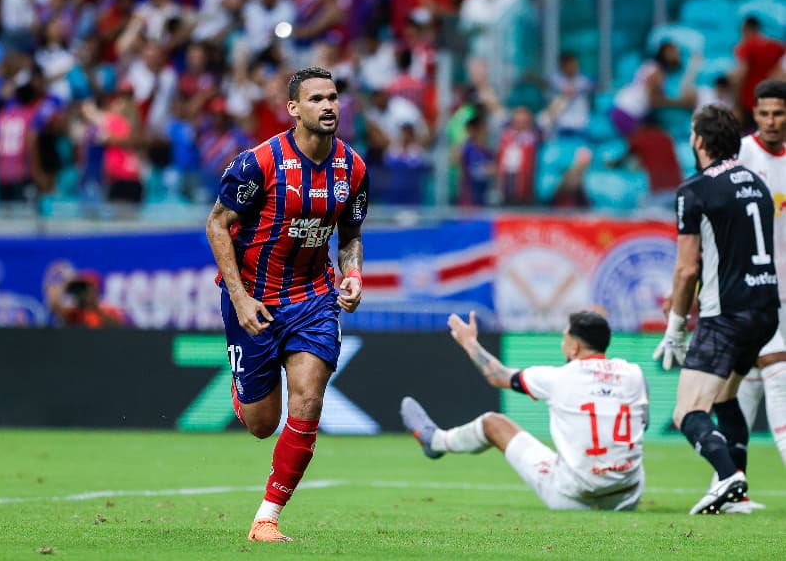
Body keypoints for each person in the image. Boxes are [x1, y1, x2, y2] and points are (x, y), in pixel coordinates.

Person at [205, 67, 368, 543]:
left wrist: (353, 275)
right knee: (261, 424)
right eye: (316, 98)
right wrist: (239, 298)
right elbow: (217, 225)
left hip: (314, 298)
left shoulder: (353, 168)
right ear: (293, 109)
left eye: (333, 97)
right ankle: (244, 385)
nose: (329, 106)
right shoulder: (257, 163)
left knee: (310, 397)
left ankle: (267, 516)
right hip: (254, 296)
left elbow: (351, 236)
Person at [653, 104, 779, 515]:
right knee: (726, 399)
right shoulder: (756, 184)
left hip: (725, 317)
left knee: (686, 412)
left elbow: (687, 269)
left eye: (692, 133)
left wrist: (674, 327)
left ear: (700, 140)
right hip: (766, 310)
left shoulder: (694, 190)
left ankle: (728, 477)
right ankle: (736, 497)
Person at [401, 310, 648, 511]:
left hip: (573, 498)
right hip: (626, 499)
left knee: (493, 423)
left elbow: (497, 375)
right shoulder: (634, 375)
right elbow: (642, 425)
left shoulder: (558, 378)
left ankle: (436, 441)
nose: (563, 345)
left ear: (574, 347)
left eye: (564, 339)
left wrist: (469, 342)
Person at [730, 80, 786, 471]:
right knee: (779, 371)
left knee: (749, 381)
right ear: (754, 114)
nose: (771, 121)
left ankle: (728, 481)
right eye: (764, 113)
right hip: (752, 289)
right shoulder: (743, 155)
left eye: (779, 113)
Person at [730, 17, 786, 130]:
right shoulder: (777, 46)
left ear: (746, 29)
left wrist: (736, 103)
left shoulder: (746, 46)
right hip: (772, 104)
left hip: (749, 105)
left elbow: (740, 75)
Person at [46, 270, 127, 328]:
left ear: (95, 290)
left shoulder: (109, 309)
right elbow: (54, 306)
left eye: (86, 289)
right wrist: (65, 285)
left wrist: (95, 307)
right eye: (80, 289)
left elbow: (119, 326)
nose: (83, 293)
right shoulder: (75, 312)